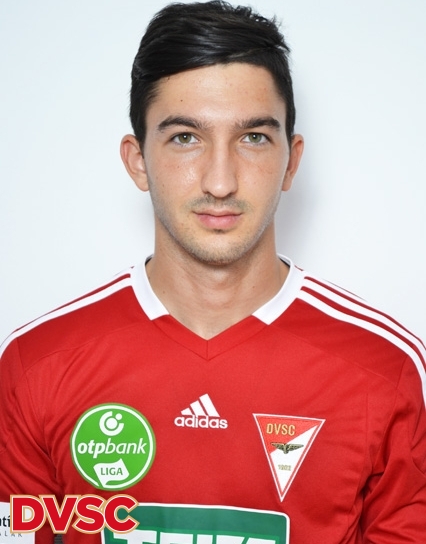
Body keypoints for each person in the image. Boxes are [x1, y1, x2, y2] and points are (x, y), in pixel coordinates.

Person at [1, 1, 425, 543]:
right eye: (185, 137)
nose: (220, 182)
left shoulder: (385, 369)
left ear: (291, 161)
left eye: (253, 138)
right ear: (137, 160)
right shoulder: (36, 364)